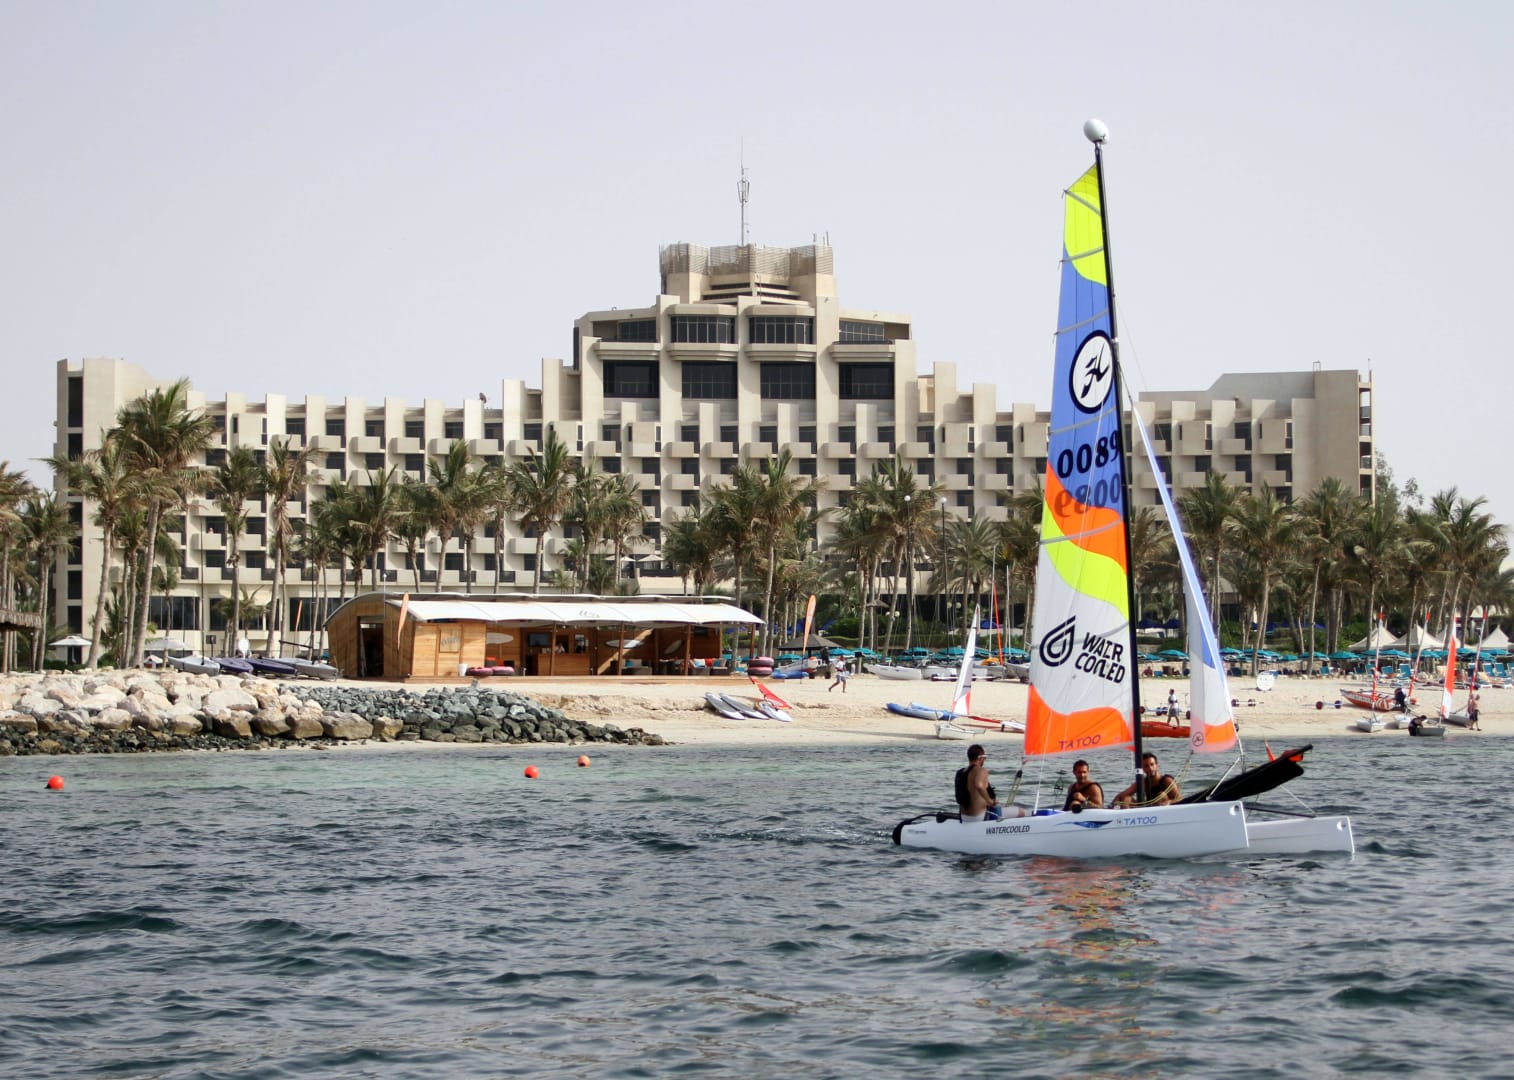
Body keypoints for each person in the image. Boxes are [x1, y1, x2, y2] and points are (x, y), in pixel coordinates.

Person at [1113, 752, 1181, 807]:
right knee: (1126, 799)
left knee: (1161, 795)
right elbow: (1122, 795)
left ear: (1157, 766)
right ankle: (1126, 818)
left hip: (1164, 809)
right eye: (1146, 766)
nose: (1150, 768)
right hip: (1147, 810)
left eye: (1152, 764)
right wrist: (1111, 806)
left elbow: (1180, 799)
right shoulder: (1143, 782)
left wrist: (1169, 802)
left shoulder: (1167, 781)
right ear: (1142, 769)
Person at [955, 744, 1001, 822]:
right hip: (978, 817)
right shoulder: (981, 770)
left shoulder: (960, 773)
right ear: (980, 758)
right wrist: (990, 802)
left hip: (964, 817)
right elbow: (979, 785)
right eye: (984, 757)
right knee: (1020, 812)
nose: (985, 759)